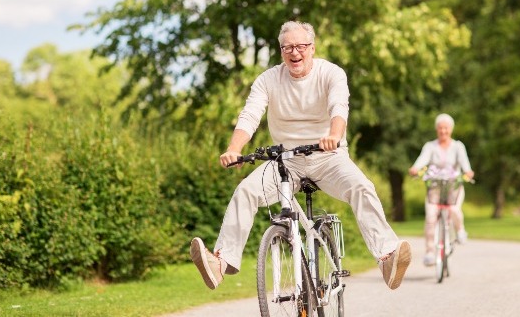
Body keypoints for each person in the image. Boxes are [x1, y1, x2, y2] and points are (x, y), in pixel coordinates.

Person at [190, 21, 411, 291]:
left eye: (301, 46)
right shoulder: (268, 79)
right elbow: (250, 115)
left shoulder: (331, 73)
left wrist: (334, 135)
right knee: (245, 191)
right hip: (285, 161)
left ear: (312, 48)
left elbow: (339, 106)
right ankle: (221, 263)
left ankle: (387, 257)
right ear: (281, 51)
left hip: (328, 156)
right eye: (288, 47)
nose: (295, 52)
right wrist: (234, 149)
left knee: (362, 187)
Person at [408, 113, 474, 267]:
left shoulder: (458, 146)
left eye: (446, 128)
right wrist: (415, 168)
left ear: (451, 129)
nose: (443, 131)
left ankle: (460, 230)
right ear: (437, 130)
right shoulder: (430, 146)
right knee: (431, 217)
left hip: (453, 187)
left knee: (454, 210)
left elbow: (465, 164)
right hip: (435, 187)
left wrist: (468, 172)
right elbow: (422, 159)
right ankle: (430, 252)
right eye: (440, 128)